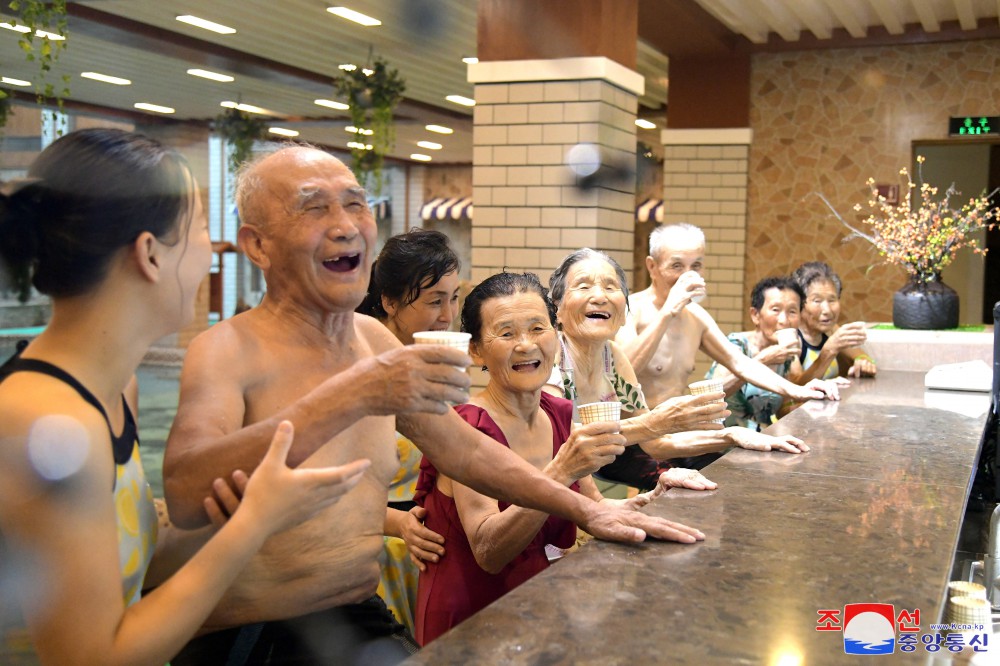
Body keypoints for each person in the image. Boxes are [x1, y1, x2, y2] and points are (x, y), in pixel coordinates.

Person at [163, 145, 705, 665]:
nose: (346, 223)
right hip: (252, 632)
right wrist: (350, 395)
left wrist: (591, 510)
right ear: (257, 246)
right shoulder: (225, 351)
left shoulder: (372, 341)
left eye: (355, 203)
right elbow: (186, 493)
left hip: (355, 615)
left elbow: (466, 451)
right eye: (314, 207)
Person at [0, 129, 369, 665]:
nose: (212, 253)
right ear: (149, 255)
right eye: (199, 230)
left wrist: (245, 511)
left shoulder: (110, 391)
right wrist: (252, 525)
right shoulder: (47, 420)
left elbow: (136, 565)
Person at [415, 272, 687, 643]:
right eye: (506, 333)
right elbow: (488, 551)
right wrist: (559, 472)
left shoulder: (558, 411)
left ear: (555, 336)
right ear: (476, 350)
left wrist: (654, 497)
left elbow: (590, 507)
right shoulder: (466, 429)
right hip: (471, 619)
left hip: (541, 604)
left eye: (537, 328)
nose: (526, 345)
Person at [546, 249, 810, 487]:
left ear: (623, 312)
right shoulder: (551, 356)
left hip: (591, 473)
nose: (599, 296)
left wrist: (732, 435)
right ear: (556, 307)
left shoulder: (613, 358)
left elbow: (657, 444)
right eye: (583, 286)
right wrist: (656, 422)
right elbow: (564, 444)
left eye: (610, 287)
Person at [356, 229, 458, 632]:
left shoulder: (426, 362)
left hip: (425, 537)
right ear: (389, 302)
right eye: (435, 300)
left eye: (454, 298)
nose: (448, 316)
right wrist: (398, 525)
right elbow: (326, 491)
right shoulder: (360, 368)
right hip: (377, 548)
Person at [616, 223, 835, 410]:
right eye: (676, 266)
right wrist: (667, 312)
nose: (688, 275)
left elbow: (741, 364)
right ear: (652, 267)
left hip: (673, 433)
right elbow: (621, 376)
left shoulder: (696, 317)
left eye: (696, 266)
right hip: (634, 438)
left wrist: (798, 390)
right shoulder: (630, 310)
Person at [706, 276, 812, 430]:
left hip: (760, 441)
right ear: (755, 315)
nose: (784, 320)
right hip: (719, 444)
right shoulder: (737, 345)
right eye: (776, 310)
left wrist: (810, 399)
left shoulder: (784, 355)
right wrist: (762, 361)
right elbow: (711, 396)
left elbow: (781, 409)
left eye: (792, 311)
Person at [790, 261, 875, 382]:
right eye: (817, 301)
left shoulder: (831, 329)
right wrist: (829, 351)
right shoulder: (791, 338)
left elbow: (862, 356)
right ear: (799, 303)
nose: (827, 310)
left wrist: (863, 362)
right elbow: (796, 389)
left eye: (832, 300)